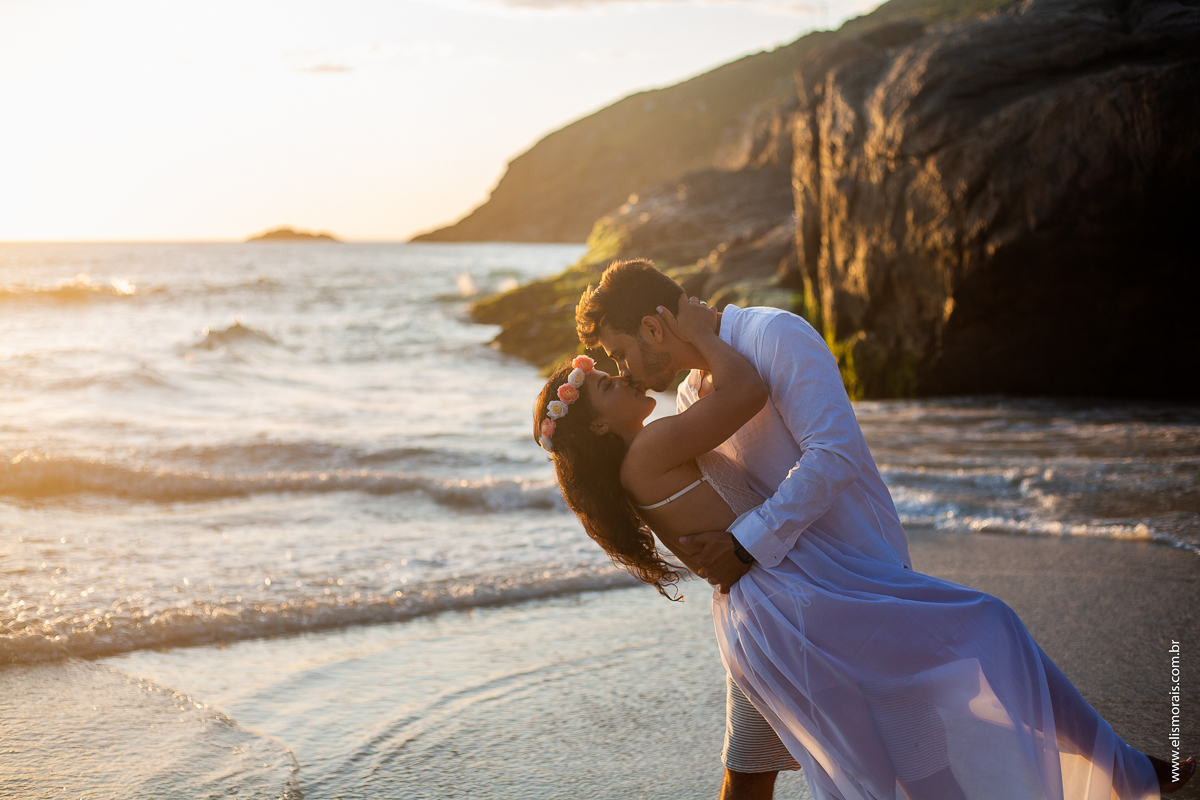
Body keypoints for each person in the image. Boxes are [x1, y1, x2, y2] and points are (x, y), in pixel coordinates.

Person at [532, 284, 1193, 797]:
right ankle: (1135, 771)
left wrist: (740, 545)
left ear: (654, 326)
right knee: (888, 740)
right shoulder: (669, 421)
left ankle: (1133, 770)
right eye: (611, 376)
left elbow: (822, 453)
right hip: (792, 602)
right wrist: (705, 336)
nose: (624, 372)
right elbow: (748, 398)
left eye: (619, 358)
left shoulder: (759, 346)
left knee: (892, 758)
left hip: (800, 591)